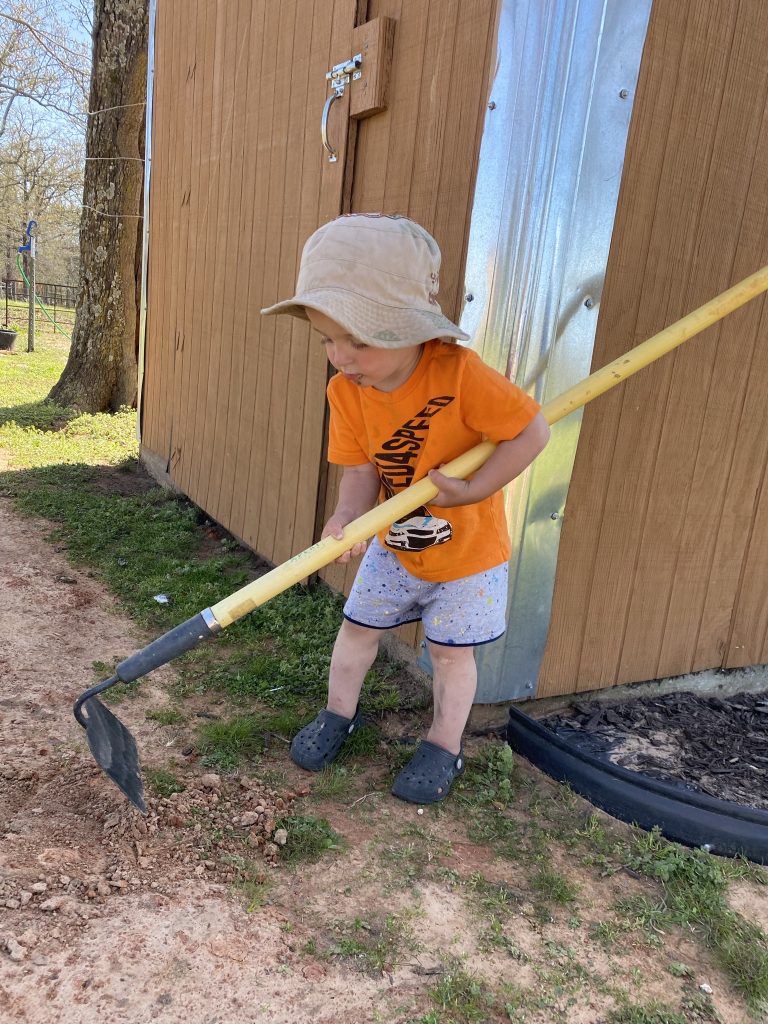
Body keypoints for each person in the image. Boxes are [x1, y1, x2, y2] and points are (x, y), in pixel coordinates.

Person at [261, 213, 549, 803]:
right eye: (327, 339)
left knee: (449, 652)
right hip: (396, 546)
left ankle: (444, 746)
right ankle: (338, 714)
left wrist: (473, 489)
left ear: (410, 329)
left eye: (359, 341)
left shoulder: (461, 375)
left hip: (469, 554)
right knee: (356, 629)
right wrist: (346, 517)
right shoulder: (347, 390)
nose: (341, 357)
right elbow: (360, 466)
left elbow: (532, 432)